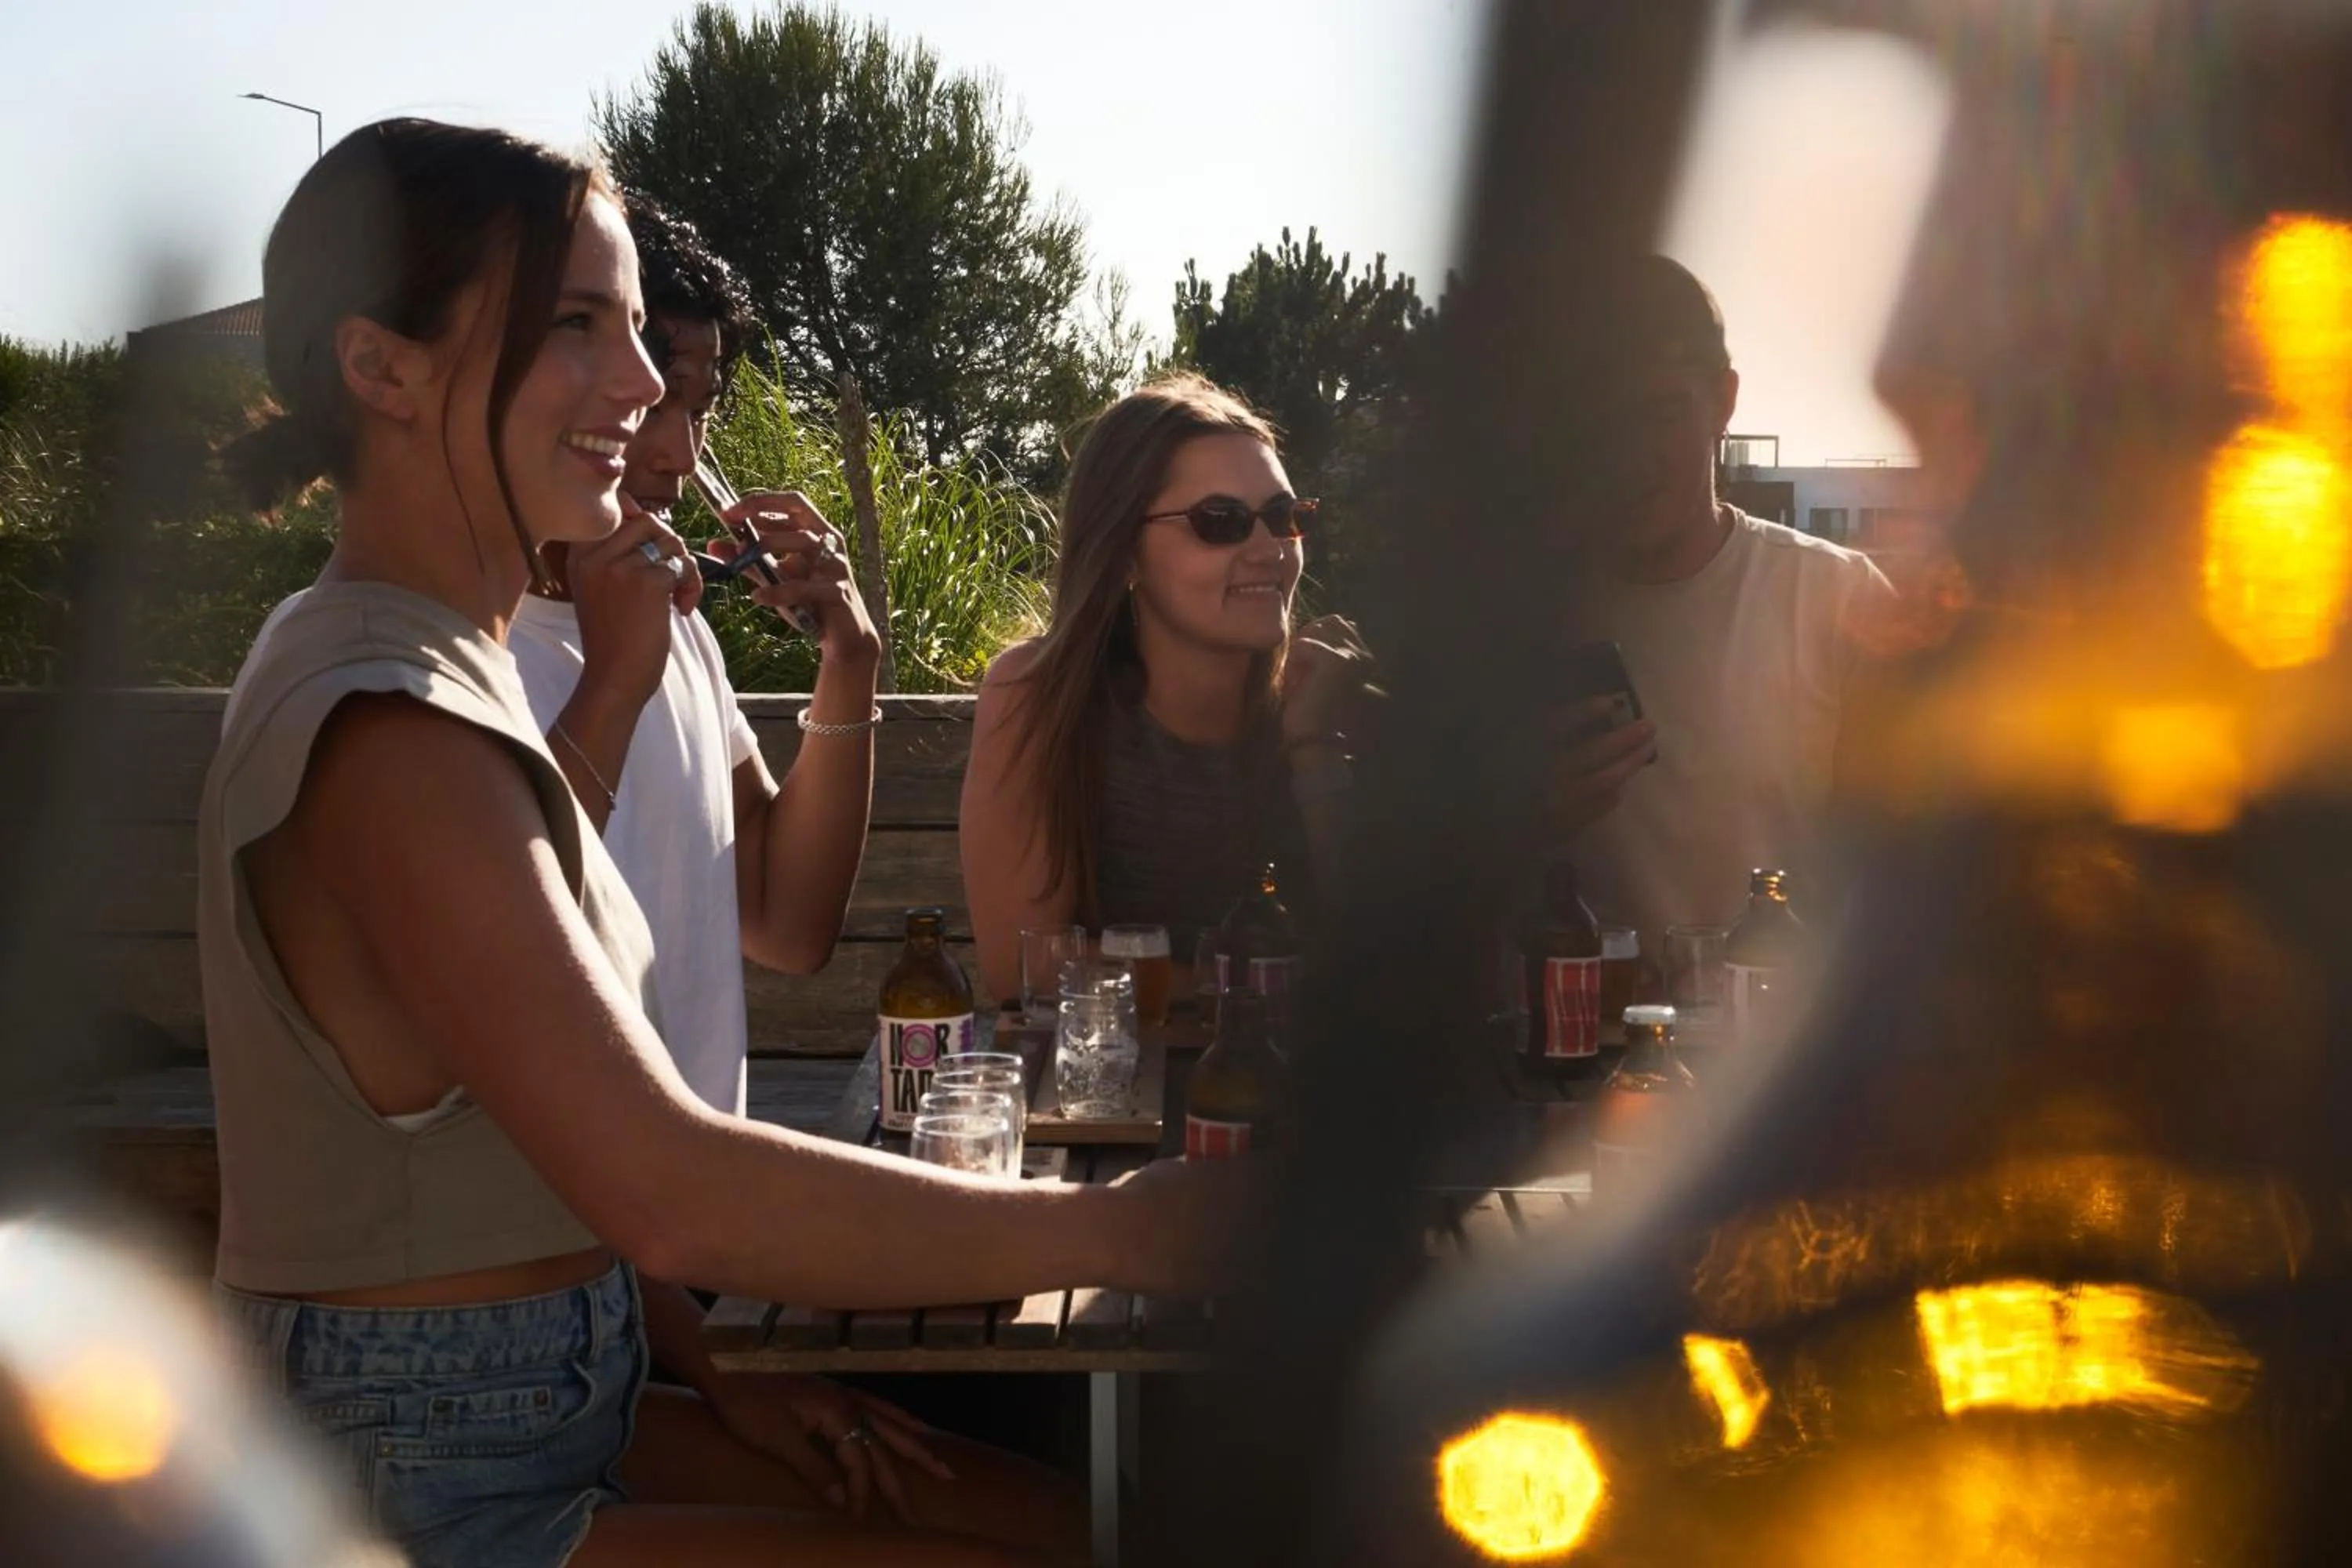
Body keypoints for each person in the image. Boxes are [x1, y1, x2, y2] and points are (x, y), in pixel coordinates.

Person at [201, 118, 1224, 1568]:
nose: (642, 387)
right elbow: (666, 1181)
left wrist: (709, 1364)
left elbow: (562, 1148)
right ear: (383, 366)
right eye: (575, 327)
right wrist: (1117, 1234)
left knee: (1081, 1525)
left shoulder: (444, 664)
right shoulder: (391, 723)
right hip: (424, 1483)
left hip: (573, 1391)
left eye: (635, 330)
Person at [500, 196, 1083, 1543]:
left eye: (689, 397)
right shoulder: (488, 666)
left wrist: (850, 662)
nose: (667, 438)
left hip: (693, 1264)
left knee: (1054, 1490)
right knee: (1033, 1519)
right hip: (595, 1300)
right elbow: (521, 1073)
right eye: (637, 379)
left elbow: (789, 922)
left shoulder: (670, 634)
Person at [960, 375, 1379, 1004]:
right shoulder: (1040, 697)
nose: (1270, 548)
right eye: (1221, 521)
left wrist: (1316, 745)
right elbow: (1024, 965)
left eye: (1284, 517)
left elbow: (1387, 959)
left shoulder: (1333, 695)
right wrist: (1261, 985)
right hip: (1115, 1089)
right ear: (1124, 552)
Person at [1558, 255, 1896, 941]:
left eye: (1660, 413)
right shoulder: (1515, 620)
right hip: (1572, 1041)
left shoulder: (1838, 603)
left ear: (1723, 402)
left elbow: (1912, 885)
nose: (1631, 454)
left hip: (1780, 1041)